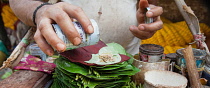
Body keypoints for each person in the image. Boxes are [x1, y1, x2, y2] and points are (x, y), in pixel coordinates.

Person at [9, 0, 163, 56]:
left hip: (127, 61)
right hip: (70, 63)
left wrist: (146, 22)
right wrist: (40, 11)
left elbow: (149, 5)